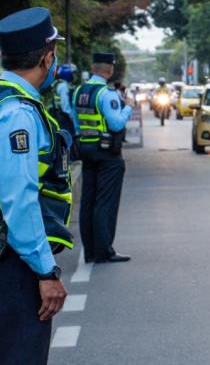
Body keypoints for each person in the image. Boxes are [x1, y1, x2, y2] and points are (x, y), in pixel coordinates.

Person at [0, 7, 71, 365]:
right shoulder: (16, 113)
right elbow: (20, 201)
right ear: (46, 56)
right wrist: (45, 271)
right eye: (54, 53)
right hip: (9, 259)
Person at [74, 53, 133, 263]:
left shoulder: (79, 92)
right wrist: (128, 106)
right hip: (108, 153)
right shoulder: (106, 94)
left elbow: (76, 124)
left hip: (86, 150)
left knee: (88, 201)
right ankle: (104, 250)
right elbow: (116, 124)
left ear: (93, 67)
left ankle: (89, 251)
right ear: (109, 70)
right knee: (105, 202)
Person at [48, 63, 79, 139]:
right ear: (67, 73)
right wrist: (72, 117)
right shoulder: (63, 86)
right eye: (73, 73)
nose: (74, 76)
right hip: (64, 116)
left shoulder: (58, 83)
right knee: (69, 137)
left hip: (58, 114)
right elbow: (65, 106)